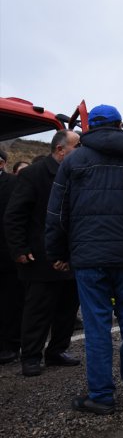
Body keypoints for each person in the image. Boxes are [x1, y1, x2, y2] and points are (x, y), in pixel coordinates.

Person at [45, 105, 123, 414]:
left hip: (89, 259)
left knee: (98, 327)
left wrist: (58, 254)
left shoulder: (74, 161)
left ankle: (101, 396)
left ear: (92, 127)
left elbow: (58, 214)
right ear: (119, 124)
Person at [4, 130, 81, 377]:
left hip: (71, 256)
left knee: (67, 310)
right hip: (40, 257)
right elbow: (15, 215)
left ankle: (57, 351)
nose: (81, 151)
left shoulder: (77, 174)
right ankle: (31, 357)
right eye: (76, 147)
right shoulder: (33, 175)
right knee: (38, 310)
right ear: (60, 150)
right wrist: (19, 249)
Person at [0, 149, 22, 364]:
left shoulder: (13, 184)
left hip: (6, 255)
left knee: (8, 303)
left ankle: (10, 345)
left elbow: (17, 218)